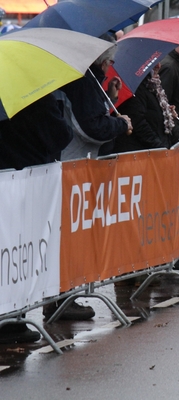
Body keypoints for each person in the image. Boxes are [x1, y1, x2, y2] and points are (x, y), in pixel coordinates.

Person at [0, 94, 73, 343]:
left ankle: (12, 318)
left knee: (10, 251)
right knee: (18, 251)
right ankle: (11, 320)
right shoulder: (35, 95)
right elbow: (60, 135)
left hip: (10, 177)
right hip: (27, 177)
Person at [59, 36, 133, 160]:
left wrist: (109, 96)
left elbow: (91, 110)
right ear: (104, 63)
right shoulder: (84, 83)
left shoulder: (88, 79)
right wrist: (122, 124)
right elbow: (93, 126)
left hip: (82, 157)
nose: (110, 65)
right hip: (77, 159)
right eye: (111, 62)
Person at [113, 63, 179, 153]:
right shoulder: (137, 89)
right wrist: (160, 148)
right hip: (142, 154)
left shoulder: (154, 87)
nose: (159, 66)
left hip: (158, 149)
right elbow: (138, 122)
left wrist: (169, 115)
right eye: (153, 64)